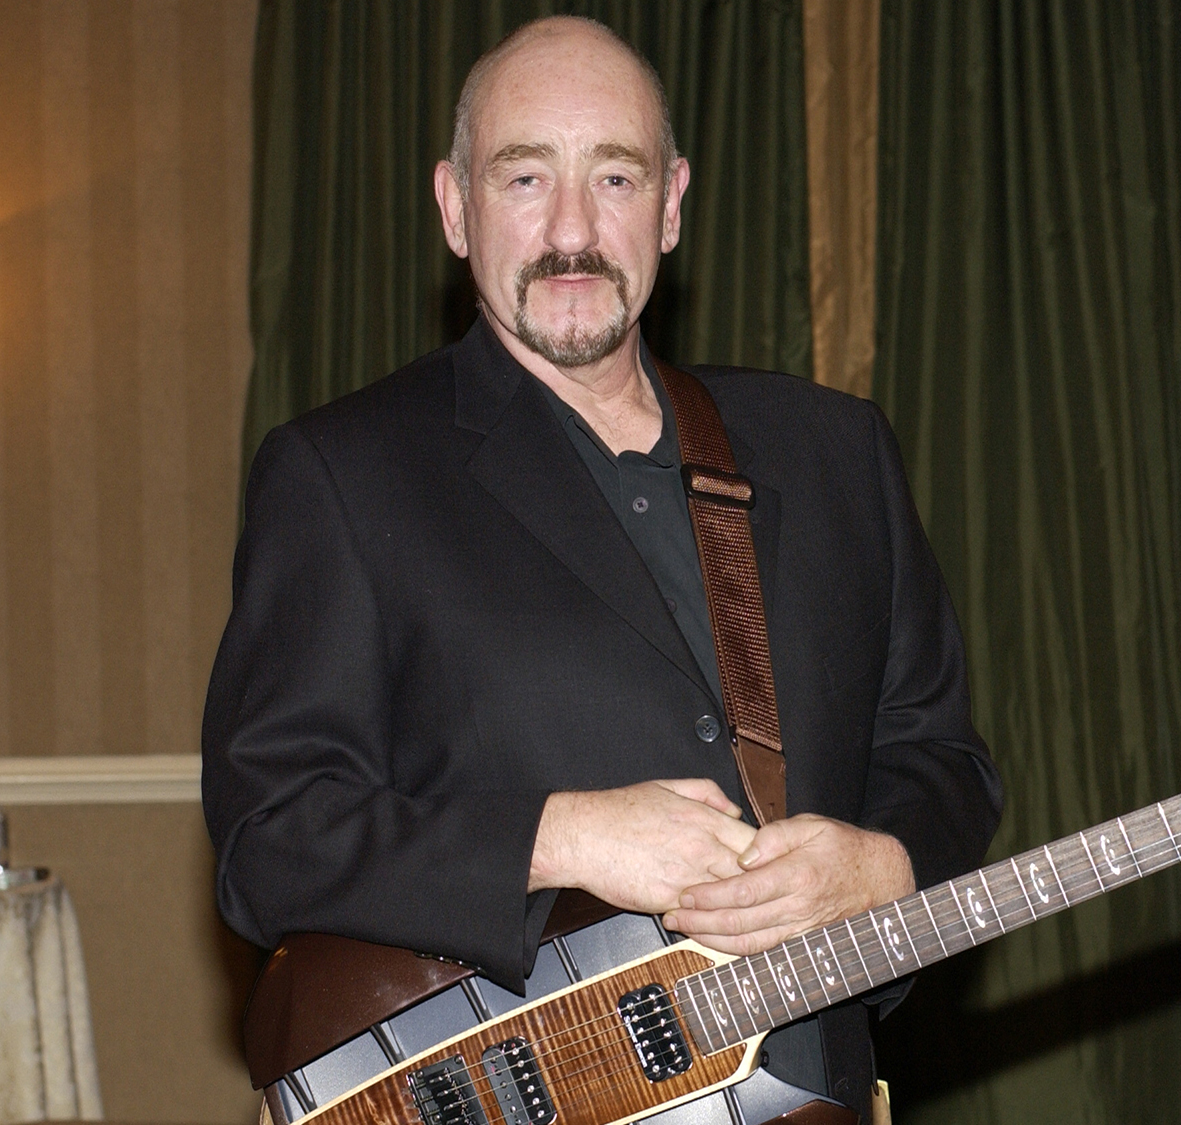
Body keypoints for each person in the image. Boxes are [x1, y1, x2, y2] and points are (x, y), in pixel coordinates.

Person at [202, 15, 1001, 1119]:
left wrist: (889, 865)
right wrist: (560, 835)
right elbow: (267, 842)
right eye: (524, 176)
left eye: (613, 177)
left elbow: (940, 756)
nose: (572, 228)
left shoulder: (833, 450)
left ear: (670, 204)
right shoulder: (340, 474)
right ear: (453, 206)